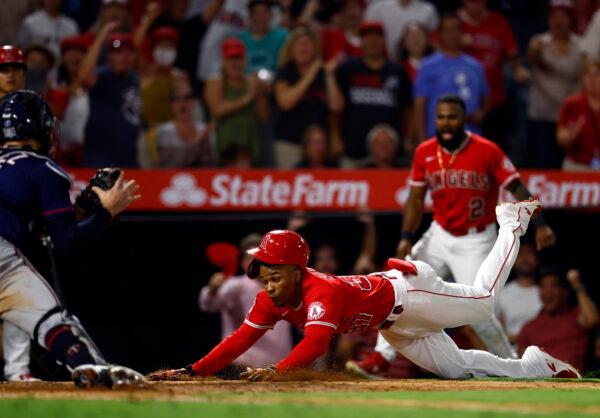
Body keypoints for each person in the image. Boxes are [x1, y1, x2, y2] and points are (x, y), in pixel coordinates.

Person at [149, 199, 582, 382]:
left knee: (484, 302)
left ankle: (510, 221)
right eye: (262, 270)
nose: (266, 278)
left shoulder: (322, 292)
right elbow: (240, 339)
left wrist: (278, 371)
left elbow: (318, 342)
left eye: (274, 269)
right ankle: (534, 367)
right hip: (394, 325)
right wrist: (194, 370)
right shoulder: (272, 297)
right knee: (458, 371)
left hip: (411, 294)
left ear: (298, 269)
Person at [347, 95, 557, 378]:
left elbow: (517, 187)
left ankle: (512, 362)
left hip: (476, 238)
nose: (446, 123)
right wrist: (407, 235)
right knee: (395, 285)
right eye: (441, 117)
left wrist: (540, 223)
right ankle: (381, 358)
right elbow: (416, 197)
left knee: (481, 311)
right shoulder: (425, 151)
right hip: (440, 233)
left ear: (464, 119)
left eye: (452, 117)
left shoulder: (486, 150)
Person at [0, 90, 145, 388]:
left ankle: (91, 368)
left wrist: (80, 209)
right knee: (52, 321)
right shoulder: (42, 168)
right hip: (4, 258)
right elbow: (66, 242)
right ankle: (93, 369)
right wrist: (105, 212)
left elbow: (32, 228)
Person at [199, 234, 293, 370]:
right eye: (251, 258)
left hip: (278, 368)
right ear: (244, 263)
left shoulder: (283, 287)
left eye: (261, 256)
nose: (257, 262)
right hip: (244, 367)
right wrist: (212, 289)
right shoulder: (235, 285)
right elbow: (209, 304)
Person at [331, 22, 413, 167]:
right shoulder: (347, 69)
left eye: (376, 38)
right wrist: (335, 137)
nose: (372, 42)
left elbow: (407, 109)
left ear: (383, 41)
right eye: (368, 38)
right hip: (353, 148)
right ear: (361, 42)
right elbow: (336, 108)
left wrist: (407, 138)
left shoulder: (398, 72)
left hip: (390, 153)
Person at [526, 0, 584, 168]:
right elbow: (530, 59)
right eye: (554, 17)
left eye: (562, 17)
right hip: (542, 114)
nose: (558, 22)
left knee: (566, 163)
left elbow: (583, 74)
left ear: (571, 20)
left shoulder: (580, 45)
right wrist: (534, 54)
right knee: (542, 163)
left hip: (569, 115)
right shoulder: (538, 42)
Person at [414, 14, 490, 141]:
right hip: (439, 137)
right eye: (448, 30)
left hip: (472, 137)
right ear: (439, 34)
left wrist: (482, 113)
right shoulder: (427, 65)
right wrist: (422, 141)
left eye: (456, 30)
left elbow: (486, 98)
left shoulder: (475, 65)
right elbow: (419, 106)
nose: (453, 35)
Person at [77, 24, 141, 167]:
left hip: (129, 157)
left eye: (128, 52)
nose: (124, 57)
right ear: (109, 56)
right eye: (118, 52)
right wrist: (102, 36)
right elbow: (84, 76)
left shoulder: (135, 79)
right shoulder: (102, 76)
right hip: (100, 156)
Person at [273, 26, 336, 168]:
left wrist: (329, 76)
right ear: (291, 48)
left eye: (308, 44)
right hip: (290, 142)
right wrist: (310, 74)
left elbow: (336, 106)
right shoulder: (285, 72)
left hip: (320, 145)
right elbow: (285, 102)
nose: (304, 48)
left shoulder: (323, 73)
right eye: (300, 44)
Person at [518, 268, 599, 373]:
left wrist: (577, 285)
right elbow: (521, 364)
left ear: (564, 292)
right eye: (543, 286)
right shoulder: (529, 328)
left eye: (553, 286)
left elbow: (592, 320)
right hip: (540, 385)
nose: (547, 291)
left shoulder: (576, 316)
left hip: (574, 384)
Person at [204, 38, 269, 167]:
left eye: (238, 58)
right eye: (230, 59)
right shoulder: (215, 82)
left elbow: (264, 116)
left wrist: (261, 94)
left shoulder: (252, 81)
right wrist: (247, 98)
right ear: (223, 61)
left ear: (245, 60)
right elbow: (218, 110)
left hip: (250, 139)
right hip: (226, 140)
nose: (235, 63)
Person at [495, 242, 542, 349]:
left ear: (538, 259)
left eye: (529, 253)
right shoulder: (502, 294)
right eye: (519, 254)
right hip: (511, 355)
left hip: (543, 353)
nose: (524, 258)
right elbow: (493, 333)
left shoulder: (546, 294)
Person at [556, 59, 600, 171]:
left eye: (596, 75)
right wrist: (571, 134)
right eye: (588, 75)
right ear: (582, 79)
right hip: (577, 165)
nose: (592, 79)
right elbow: (560, 138)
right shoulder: (572, 103)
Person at [364, 0, 438, 60]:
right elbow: (367, 36)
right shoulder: (377, 8)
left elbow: (434, 40)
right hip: (384, 62)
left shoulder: (427, 10)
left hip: (420, 62)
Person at [238, 0, 288, 74]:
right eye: (257, 13)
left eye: (264, 13)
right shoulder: (239, 41)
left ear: (271, 15)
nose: (261, 17)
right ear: (250, 16)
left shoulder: (283, 37)